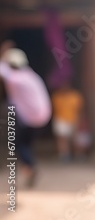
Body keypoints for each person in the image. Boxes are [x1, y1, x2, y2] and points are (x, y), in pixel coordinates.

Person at [0, 44, 52, 187]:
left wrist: (4, 55)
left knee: (19, 144)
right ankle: (28, 168)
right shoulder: (31, 75)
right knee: (26, 144)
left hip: (28, 117)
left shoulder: (14, 78)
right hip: (43, 116)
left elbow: (2, 70)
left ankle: (30, 166)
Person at [51, 81, 84, 162]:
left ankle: (78, 155)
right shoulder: (56, 97)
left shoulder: (75, 96)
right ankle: (64, 155)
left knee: (75, 139)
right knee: (62, 139)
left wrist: (80, 120)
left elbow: (80, 109)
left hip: (73, 119)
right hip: (60, 120)